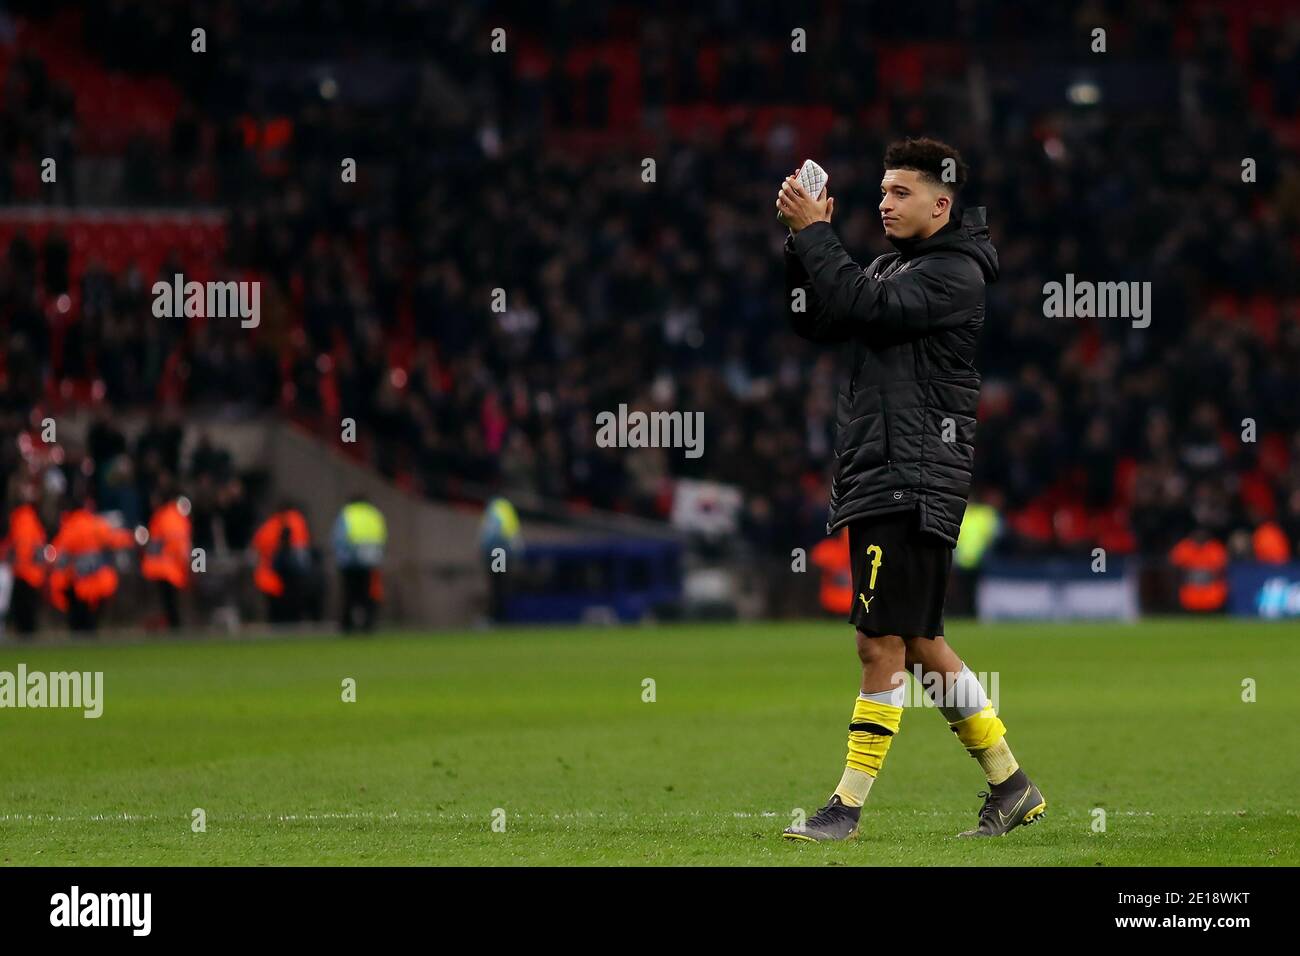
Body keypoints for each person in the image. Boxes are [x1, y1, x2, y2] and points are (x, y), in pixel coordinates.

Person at [777, 137, 1045, 841]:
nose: (885, 203)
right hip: (889, 470)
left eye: (901, 193)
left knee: (879, 642)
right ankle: (1010, 785)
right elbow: (820, 315)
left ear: (941, 203)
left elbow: (863, 301)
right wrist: (799, 245)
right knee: (921, 642)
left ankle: (846, 807)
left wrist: (819, 236)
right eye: (883, 191)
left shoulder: (954, 274)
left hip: (910, 475)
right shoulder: (898, 265)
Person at [48, 496, 135, 633]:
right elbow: (114, 539)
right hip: (99, 583)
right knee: (93, 625)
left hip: (78, 585)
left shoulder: (68, 529)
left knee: (78, 626)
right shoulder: (95, 524)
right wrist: (132, 537)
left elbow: (57, 557)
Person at [332, 493, 387, 633]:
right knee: (367, 594)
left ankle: (347, 625)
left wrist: (341, 558)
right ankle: (368, 625)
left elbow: (339, 539)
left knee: (350, 594)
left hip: (350, 561)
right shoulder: (374, 514)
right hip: (370, 559)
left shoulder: (347, 514)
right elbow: (382, 536)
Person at [141, 488, 192, 630]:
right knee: (170, 604)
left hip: (166, 569)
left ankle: (175, 630)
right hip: (167, 569)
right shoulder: (171, 517)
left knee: (170, 604)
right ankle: (174, 629)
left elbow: (177, 546)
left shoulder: (166, 517)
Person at [252, 502, 311, 624]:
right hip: (286, 575)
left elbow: (257, 546)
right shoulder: (296, 522)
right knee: (290, 610)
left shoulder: (269, 526)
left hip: (272, 574)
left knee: (277, 612)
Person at [5, 488, 48, 635]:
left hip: (23, 574)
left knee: (23, 618)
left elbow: (22, 547)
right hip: (33, 575)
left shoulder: (20, 518)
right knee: (28, 619)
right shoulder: (33, 519)